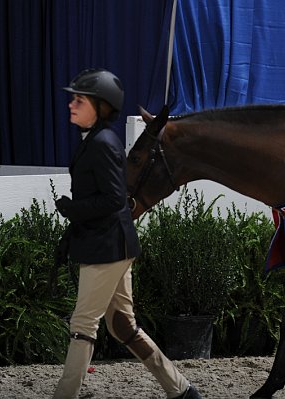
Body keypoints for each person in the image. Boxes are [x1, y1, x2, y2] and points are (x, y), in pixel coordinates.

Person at [53, 68, 201, 399]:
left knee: (82, 327)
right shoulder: (95, 140)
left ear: (101, 106)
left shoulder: (102, 143)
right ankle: (181, 390)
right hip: (110, 243)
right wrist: (71, 234)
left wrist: (72, 210)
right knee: (122, 326)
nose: (71, 105)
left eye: (80, 99)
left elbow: (112, 199)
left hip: (107, 248)